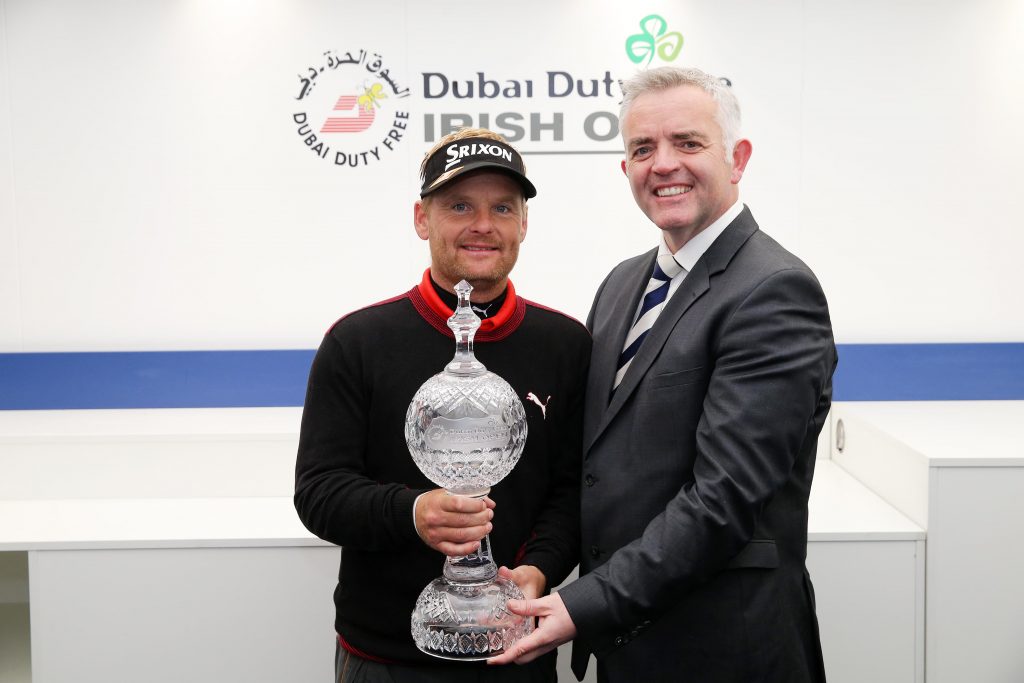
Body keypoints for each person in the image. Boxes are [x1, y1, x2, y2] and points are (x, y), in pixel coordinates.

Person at [490, 67, 837, 682]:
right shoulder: (623, 283)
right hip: (628, 647)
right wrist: (541, 566)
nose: (663, 163)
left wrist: (582, 604)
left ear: (738, 159)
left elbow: (723, 499)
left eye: (689, 143)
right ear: (625, 168)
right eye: (642, 149)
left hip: (724, 651)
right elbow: (598, 469)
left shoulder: (774, 291)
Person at [294, 127, 591, 683]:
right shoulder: (357, 342)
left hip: (516, 646)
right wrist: (413, 513)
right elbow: (319, 493)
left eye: (502, 207)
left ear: (523, 223)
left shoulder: (567, 344)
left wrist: (537, 569)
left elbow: (574, 488)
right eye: (459, 205)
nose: (483, 224)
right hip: (385, 656)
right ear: (421, 219)